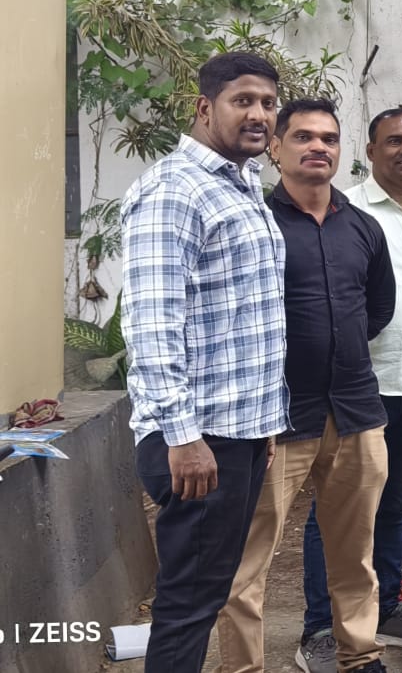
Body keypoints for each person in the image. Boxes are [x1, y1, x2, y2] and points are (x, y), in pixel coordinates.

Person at [121, 51, 288, 672]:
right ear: (204, 107)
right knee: (189, 603)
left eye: (267, 103)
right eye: (242, 101)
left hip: (236, 432)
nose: (258, 114)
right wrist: (184, 437)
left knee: (207, 592)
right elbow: (152, 325)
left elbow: (243, 316)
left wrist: (262, 426)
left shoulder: (240, 184)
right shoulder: (174, 190)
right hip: (197, 440)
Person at [215, 99, 395, 673]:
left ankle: (359, 655)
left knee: (354, 553)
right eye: (303, 137)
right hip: (275, 419)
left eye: (329, 138)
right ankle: (243, 666)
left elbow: (378, 309)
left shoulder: (363, 228)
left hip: (356, 414)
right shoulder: (255, 223)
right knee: (248, 561)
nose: (318, 146)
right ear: (275, 148)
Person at [302, 109, 402, 657]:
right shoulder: (349, 211)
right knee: (337, 510)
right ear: (370, 150)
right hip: (362, 389)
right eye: (394, 141)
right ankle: (320, 628)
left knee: (393, 504)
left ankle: (387, 607)